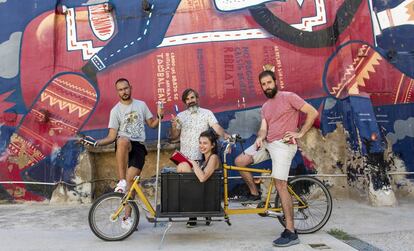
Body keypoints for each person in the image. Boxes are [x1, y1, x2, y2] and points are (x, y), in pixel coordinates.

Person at [234, 68, 318, 247]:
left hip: (284, 145)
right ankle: (255, 194)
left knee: (280, 184)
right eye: (263, 84)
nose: (267, 86)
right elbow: (264, 127)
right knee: (240, 162)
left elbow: (312, 112)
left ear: (275, 82)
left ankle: (291, 231)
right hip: (268, 143)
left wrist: (300, 132)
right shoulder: (265, 107)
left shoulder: (289, 97)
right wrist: (259, 137)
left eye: (269, 83)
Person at [93, 78, 163, 228]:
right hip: (123, 146)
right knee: (122, 140)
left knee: (132, 183)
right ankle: (121, 181)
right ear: (117, 91)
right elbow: (112, 137)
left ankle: (127, 217)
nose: (124, 92)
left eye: (126, 88)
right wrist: (96, 142)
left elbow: (152, 125)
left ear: (130, 88)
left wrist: (159, 116)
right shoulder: (115, 111)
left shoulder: (141, 105)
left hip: (138, 147)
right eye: (120, 89)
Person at [170, 88, 229, 164]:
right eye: (187, 99)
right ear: (185, 102)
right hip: (183, 158)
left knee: (201, 176)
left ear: (197, 98)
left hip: (201, 157)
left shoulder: (207, 113)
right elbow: (174, 136)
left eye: (192, 98)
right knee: (181, 174)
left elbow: (216, 127)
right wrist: (174, 126)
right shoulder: (180, 116)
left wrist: (225, 135)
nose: (190, 101)